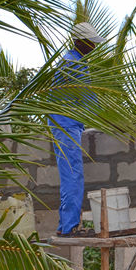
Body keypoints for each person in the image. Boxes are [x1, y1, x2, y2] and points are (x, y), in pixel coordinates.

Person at [49, 22, 105, 236]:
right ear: (80, 42)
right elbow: (89, 100)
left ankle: (66, 226)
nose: (94, 47)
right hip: (66, 124)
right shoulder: (74, 64)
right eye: (91, 43)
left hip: (64, 124)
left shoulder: (71, 60)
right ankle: (70, 227)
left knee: (69, 174)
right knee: (73, 175)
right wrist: (110, 119)